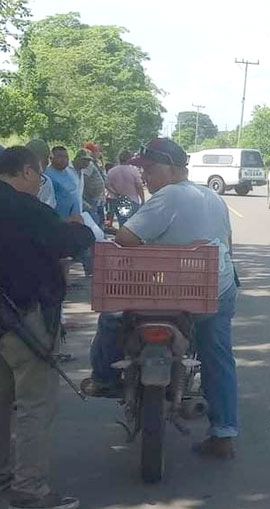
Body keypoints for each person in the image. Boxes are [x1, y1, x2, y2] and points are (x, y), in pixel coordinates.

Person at [82, 138, 239, 459]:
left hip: (169, 292)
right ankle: (224, 433)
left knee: (112, 317)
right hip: (214, 290)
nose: (145, 177)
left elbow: (126, 238)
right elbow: (227, 242)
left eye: (151, 169)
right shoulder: (212, 196)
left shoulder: (168, 196)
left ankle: (104, 377)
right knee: (218, 355)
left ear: (173, 168)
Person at [0, 146, 93, 509]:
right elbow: (68, 242)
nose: (40, 182)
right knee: (34, 404)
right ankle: (29, 489)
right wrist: (78, 228)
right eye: (38, 175)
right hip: (24, 320)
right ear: (25, 172)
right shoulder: (29, 210)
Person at [106, 149, 145, 225]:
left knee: (122, 223)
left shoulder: (112, 171)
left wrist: (115, 192)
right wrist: (143, 200)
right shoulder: (133, 171)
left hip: (118, 200)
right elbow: (139, 186)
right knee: (134, 224)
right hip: (133, 200)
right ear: (129, 159)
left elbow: (107, 184)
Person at [25, 140, 57, 210]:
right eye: (46, 158)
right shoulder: (12, 177)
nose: (48, 162)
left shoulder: (45, 181)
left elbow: (48, 209)